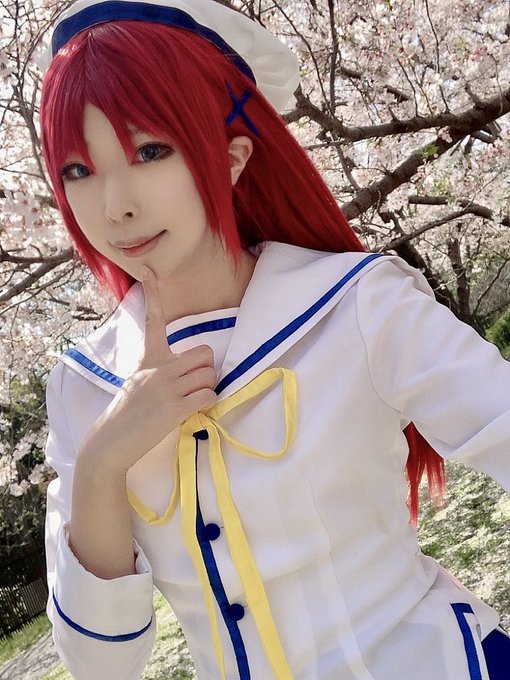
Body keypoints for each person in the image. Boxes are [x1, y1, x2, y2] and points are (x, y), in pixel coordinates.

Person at [41, 1, 510, 678]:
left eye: (150, 151)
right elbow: (100, 664)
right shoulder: (83, 387)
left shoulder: (357, 305)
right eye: (78, 170)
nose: (115, 206)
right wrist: (101, 462)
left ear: (232, 158)